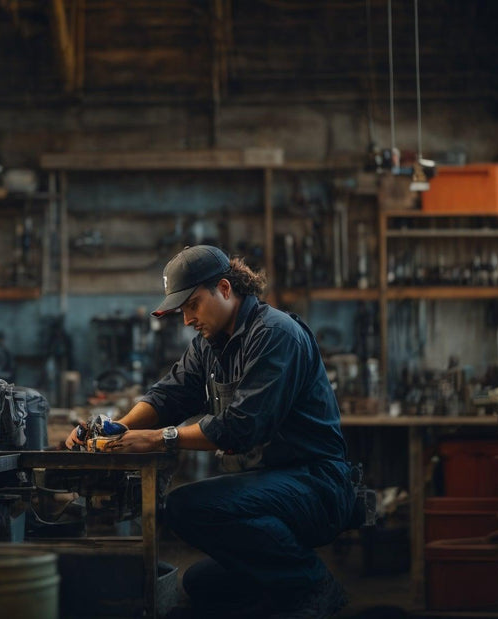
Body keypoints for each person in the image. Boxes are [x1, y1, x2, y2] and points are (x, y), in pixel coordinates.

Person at [66, 245, 355, 618]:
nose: (187, 319)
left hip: (316, 484)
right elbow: (169, 395)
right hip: (269, 483)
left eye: (192, 305)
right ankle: (283, 595)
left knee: (188, 507)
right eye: (182, 309)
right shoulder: (209, 345)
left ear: (224, 288)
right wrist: (114, 427)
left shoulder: (275, 334)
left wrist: (159, 438)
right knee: (202, 583)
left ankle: (314, 585)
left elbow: (241, 426)